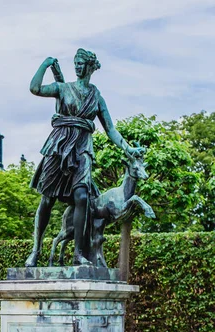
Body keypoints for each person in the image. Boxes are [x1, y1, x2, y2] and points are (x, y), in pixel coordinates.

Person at [25, 48, 144, 267]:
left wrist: (129, 149)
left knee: (82, 197)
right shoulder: (63, 88)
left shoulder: (96, 96)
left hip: (82, 148)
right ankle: (35, 250)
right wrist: (45, 63)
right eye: (75, 63)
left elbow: (111, 130)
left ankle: (78, 254)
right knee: (47, 199)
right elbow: (35, 88)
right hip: (59, 145)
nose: (77, 67)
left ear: (89, 67)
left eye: (81, 63)